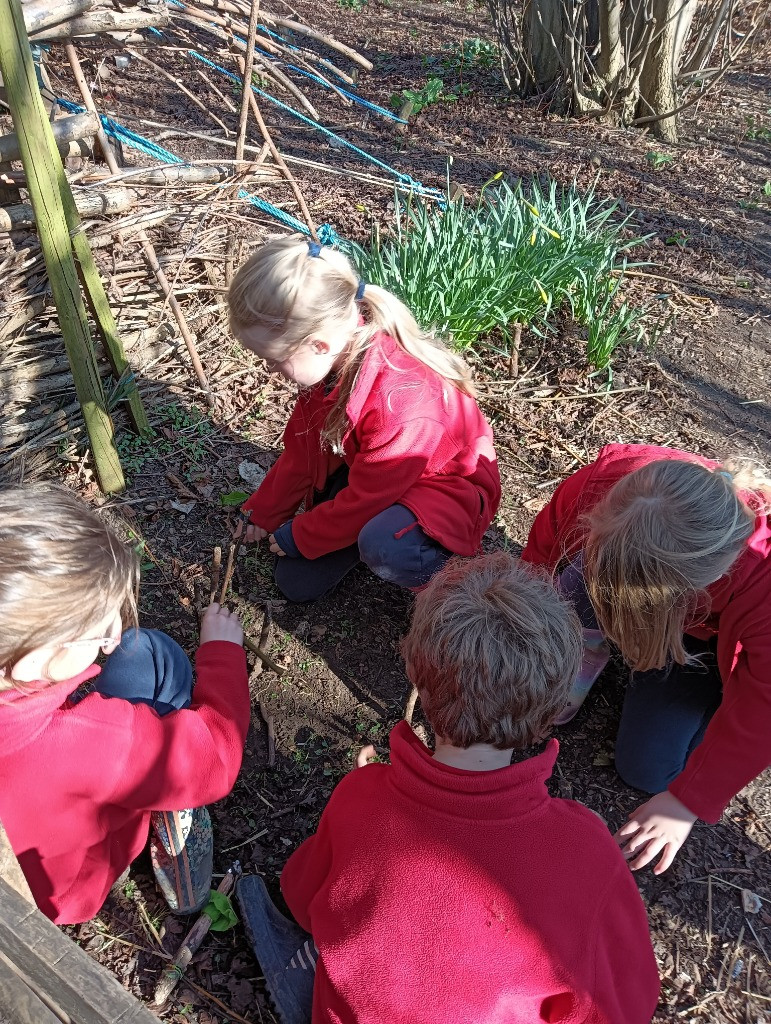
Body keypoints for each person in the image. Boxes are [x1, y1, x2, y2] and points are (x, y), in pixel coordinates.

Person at [238, 553, 660, 1024]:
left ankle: (301, 979)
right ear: (553, 710)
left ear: (416, 673)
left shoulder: (363, 796)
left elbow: (302, 896)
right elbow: (630, 1002)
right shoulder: (588, 852)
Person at [0, 483, 251, 925]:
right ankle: (175, 834)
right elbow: (216, 756)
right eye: (97, 631)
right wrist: (223, 655)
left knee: (135, 647)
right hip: (67, 892)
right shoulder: (94, 744)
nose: (113, 635)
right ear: (32, 660)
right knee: (151, 655)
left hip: (27, 873)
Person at [520, 443, 771, 875]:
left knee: (650, 771)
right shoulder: (606, 488)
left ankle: (693, 691)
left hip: (705, 642)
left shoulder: (762, 585)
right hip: (637, 577)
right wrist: (523, 634)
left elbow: (763, 705)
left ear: (706, 581)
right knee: (582, 573)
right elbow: (541, 558)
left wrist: (687, 801)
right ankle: (573, 664)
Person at [227, 235, 501, 602]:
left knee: (384, 546)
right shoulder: (327, 367)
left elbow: (369, 497)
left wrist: (302, 534)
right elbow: (302, 453)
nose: (271, 370)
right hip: (378, 474)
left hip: (446, 491)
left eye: (274, 360)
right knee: (295, 583)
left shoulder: (401, 401)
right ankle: (365, 533)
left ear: (318, 345)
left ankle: (449, 582)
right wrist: (264, 514)